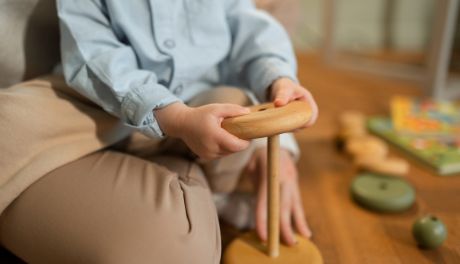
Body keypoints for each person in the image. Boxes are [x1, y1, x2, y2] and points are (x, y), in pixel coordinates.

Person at [0, 0, 318, 263]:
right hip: (102, 107)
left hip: (201, 104)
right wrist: (174, 116)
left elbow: (251, 30)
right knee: (12, 121)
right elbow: (95, 56)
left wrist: (279, 79)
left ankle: (219, 195)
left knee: (237, 107)